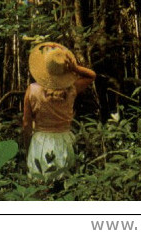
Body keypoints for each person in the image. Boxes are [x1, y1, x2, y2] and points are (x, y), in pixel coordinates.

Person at [22, 41, 96, 180]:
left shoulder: (32, 90)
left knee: (40, 188)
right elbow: (91, 75)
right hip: (65, 141)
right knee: (65, 186)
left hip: (40, 143)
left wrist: (27, 146)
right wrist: (74, 67)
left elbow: (26, 124)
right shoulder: (72, 89)